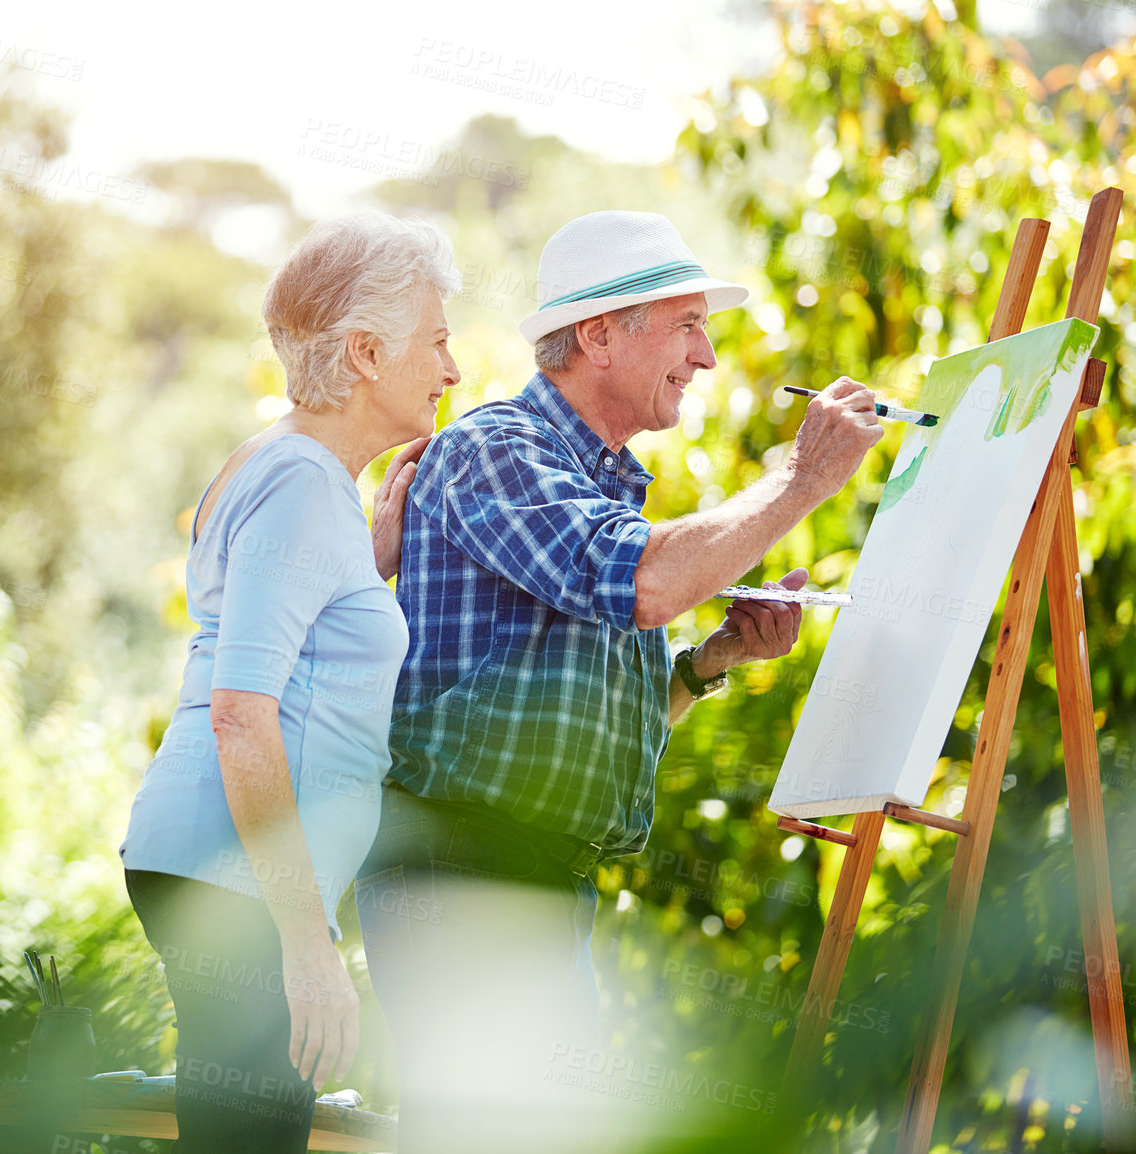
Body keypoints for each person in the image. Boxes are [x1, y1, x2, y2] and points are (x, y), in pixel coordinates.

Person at [354, 210, 885, 1153]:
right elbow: (639, 583)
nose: (708, 357)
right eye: (687, 325)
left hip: (532, 877)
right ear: (597, 333)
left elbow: (602, 714)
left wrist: (710, 664)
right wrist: (802, 478)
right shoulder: (495, 451)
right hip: (463, 871)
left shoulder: (600, 494)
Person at [119, 212, 462, 1153]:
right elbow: (241, 715)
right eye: (436, 340)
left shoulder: (294, 479)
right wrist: (307, 942)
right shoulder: (303, 486)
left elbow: (297, 636)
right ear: (364, 351)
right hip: (233, 883)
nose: (452, 369)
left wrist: (369, 556)